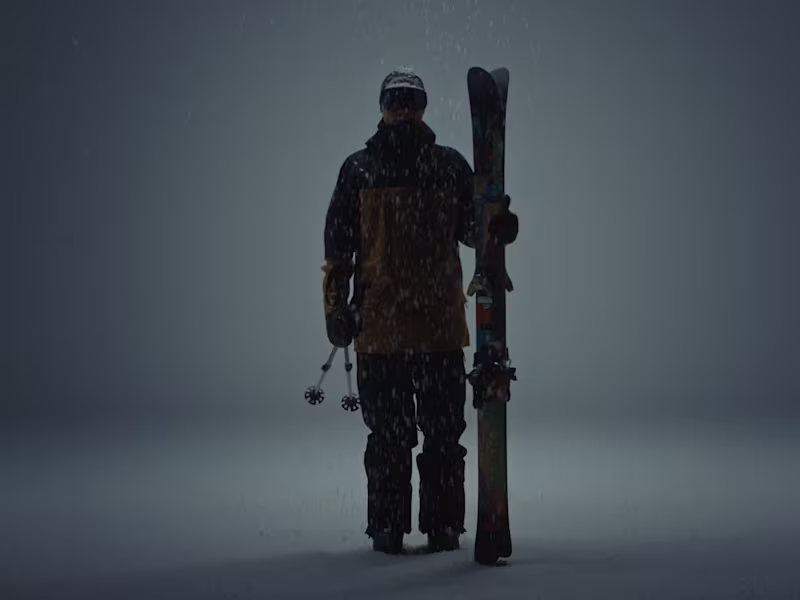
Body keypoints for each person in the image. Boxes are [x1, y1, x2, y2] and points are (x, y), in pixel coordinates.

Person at [322, 67, 518, 554]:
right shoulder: (358, 170)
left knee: (444, 435)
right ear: (383, 106)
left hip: (438, 331)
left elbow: (475, 233)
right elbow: (337, 250)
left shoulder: (449, 166)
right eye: (396, 99)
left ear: (425, 106)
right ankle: (387, 528)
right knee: (389, 437)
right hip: (380, 330)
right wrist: (335, 311)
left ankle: (443, 527)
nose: (404, 108)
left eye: (412, 99)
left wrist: (497, 226)